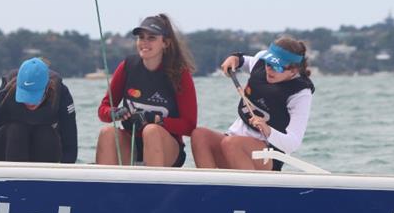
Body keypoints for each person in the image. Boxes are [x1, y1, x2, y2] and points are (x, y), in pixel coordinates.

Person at [190, 36, 314, 171]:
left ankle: (249, 190)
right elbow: (245, 61)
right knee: (199, 135)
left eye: (277, 67)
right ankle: (211, 188)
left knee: (232, 144)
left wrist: (268, 131)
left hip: (267, 155)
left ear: (294, 70)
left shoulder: (301, 94)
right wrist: (235, 59)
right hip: (231, 142)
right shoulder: (260, 60)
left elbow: (293, 143)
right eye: (268, 63)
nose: (269, 69)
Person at [96, 14, 197, 167]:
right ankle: (108, 188)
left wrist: (155, 119)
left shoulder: (180, 74)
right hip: (132, 143)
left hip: (167, 147)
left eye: (151, 38)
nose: (144, 42)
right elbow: (103, 109)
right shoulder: (127, 66)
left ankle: (153, 188)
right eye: (141, 37)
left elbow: (189, 126)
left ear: (165, 43)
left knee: (151, 131)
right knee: (107, 133)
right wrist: (115, 113)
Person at [0, 57, 77, 163]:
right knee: (17, 130)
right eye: (25, 95)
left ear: (48, 87)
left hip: (46, 149)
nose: (30, 103)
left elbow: (70, 147)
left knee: (45, 133)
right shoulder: (5, 92)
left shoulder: (62, 94)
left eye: (35, 95)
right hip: (6, 148)